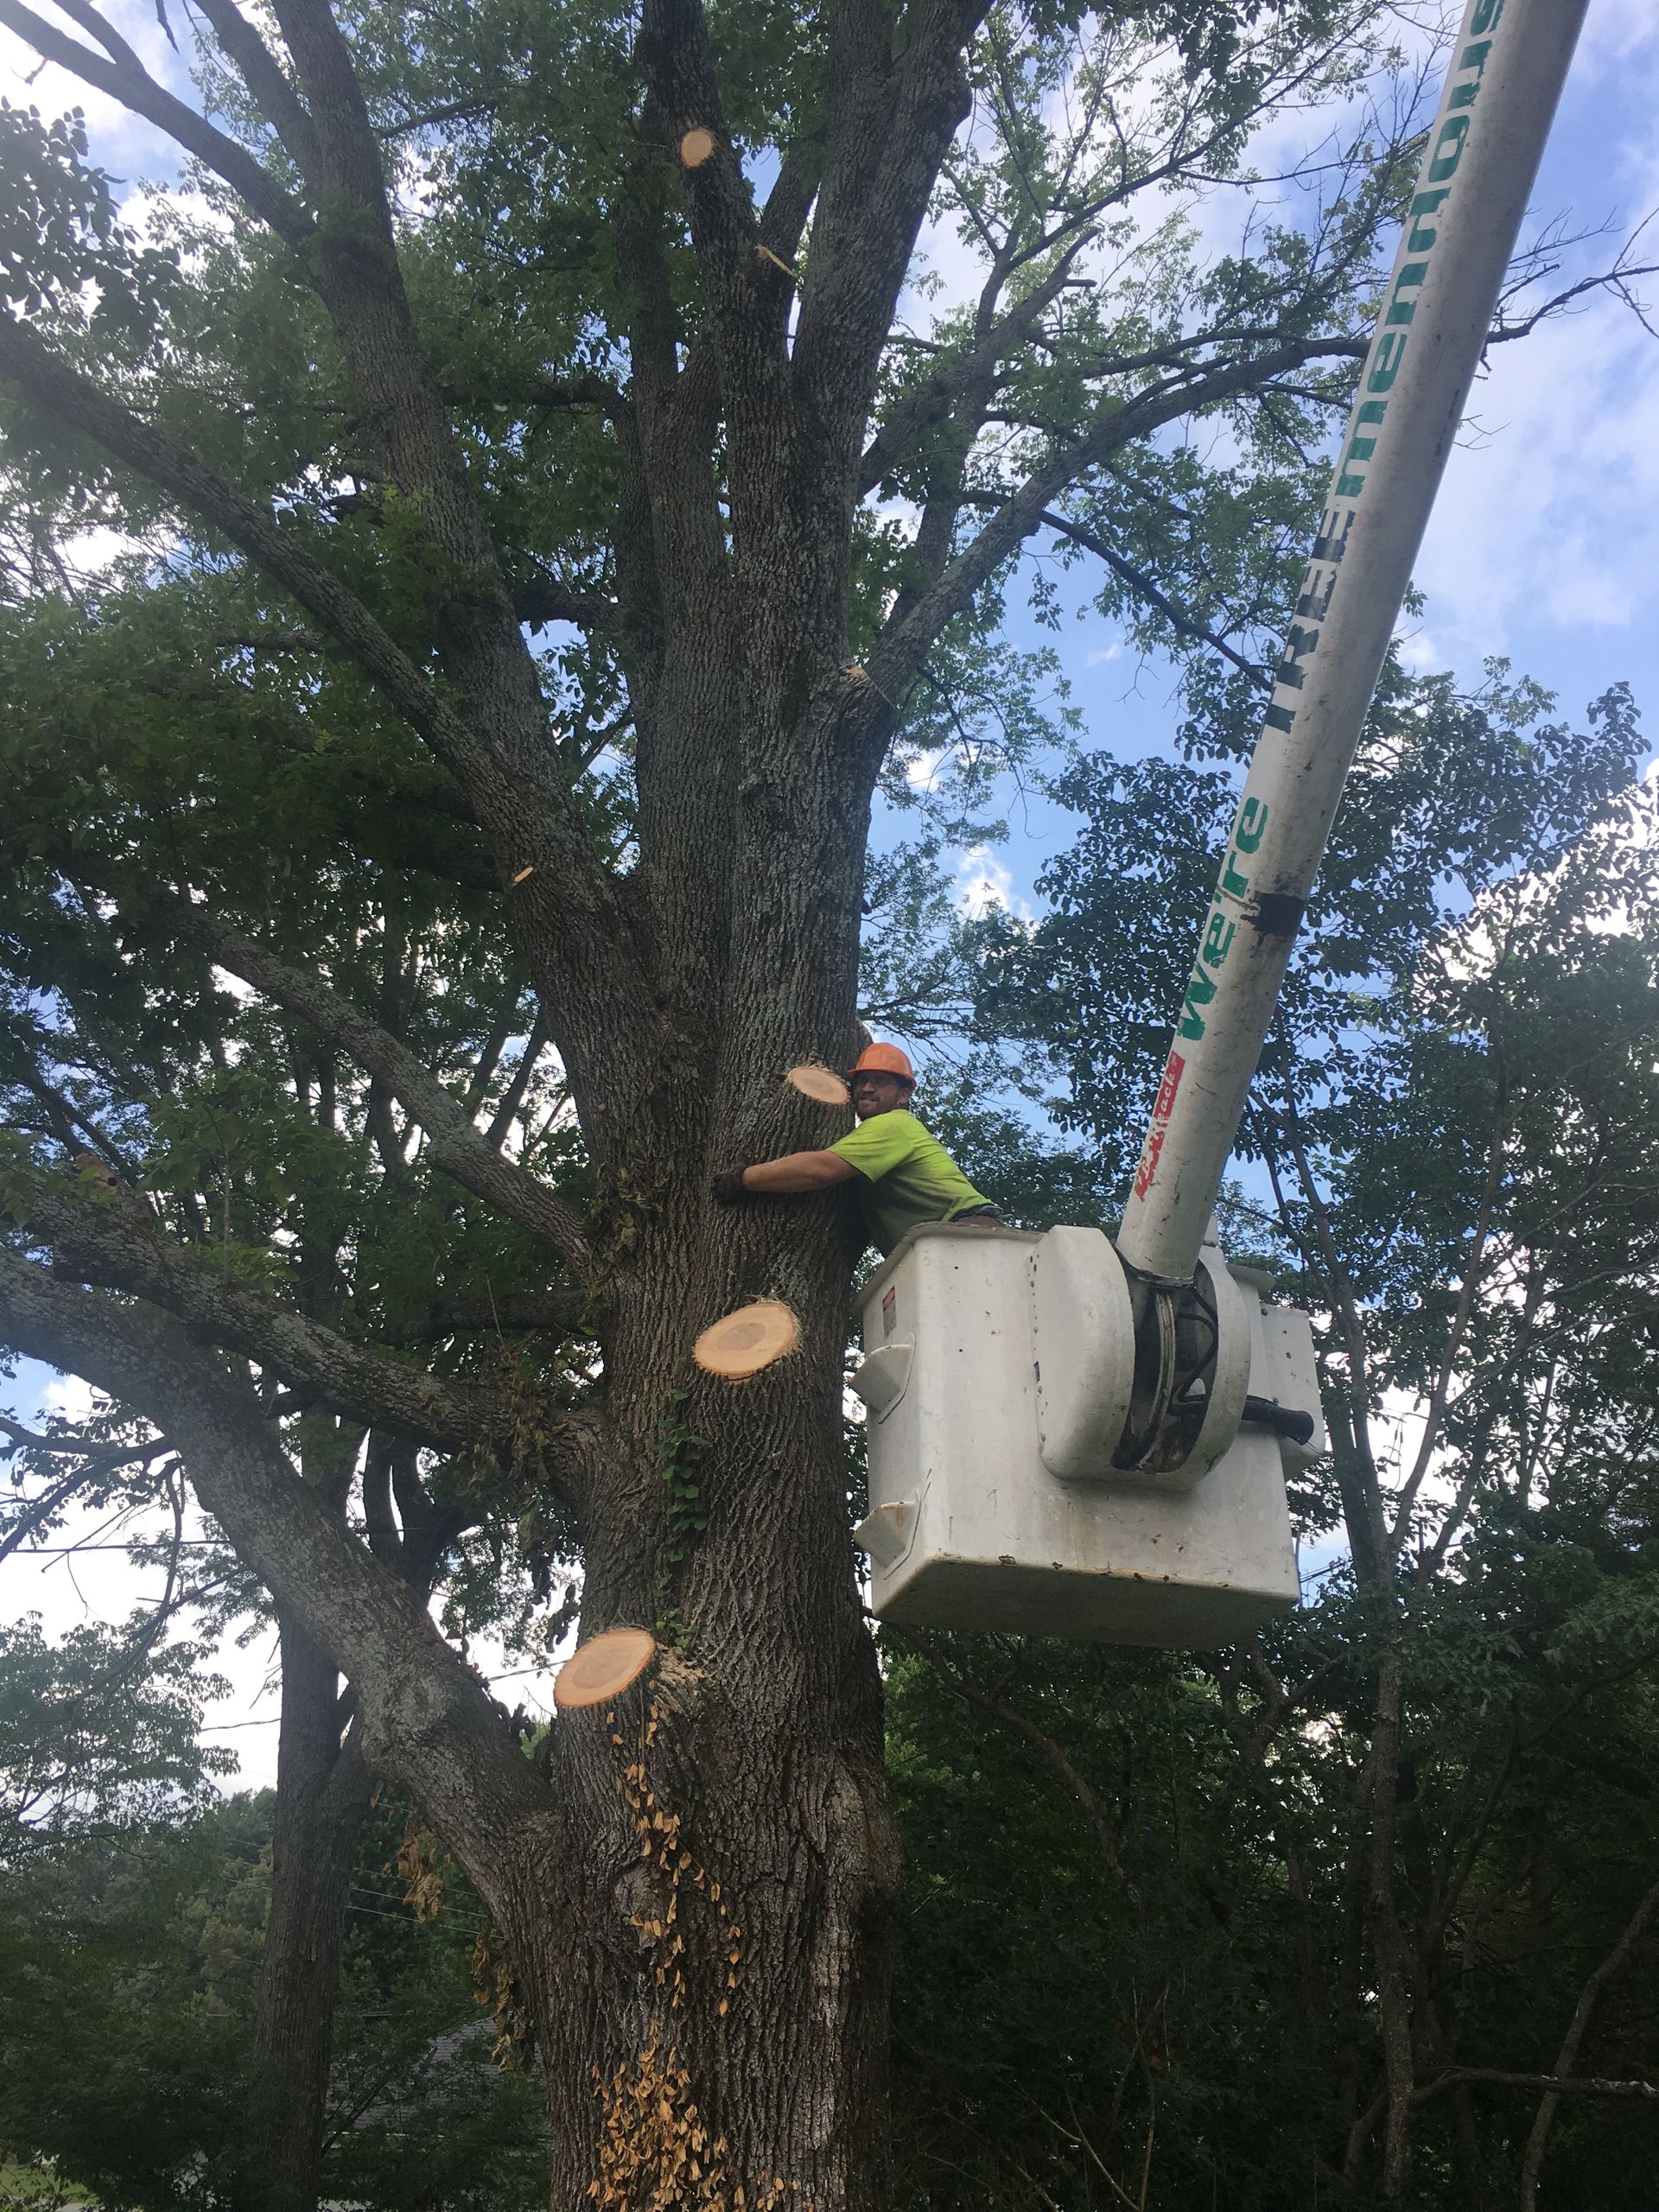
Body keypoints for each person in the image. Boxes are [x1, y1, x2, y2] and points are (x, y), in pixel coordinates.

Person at [711, 1043, 1005, 1257]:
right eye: (862, 1080)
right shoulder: (869, 1142)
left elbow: (820, 1169)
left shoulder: (894, 1125)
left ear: (904, 1094)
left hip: (966, 1235)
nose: (866, 1087)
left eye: (880, 1082)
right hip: (938, 1246)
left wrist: (743, 1179)